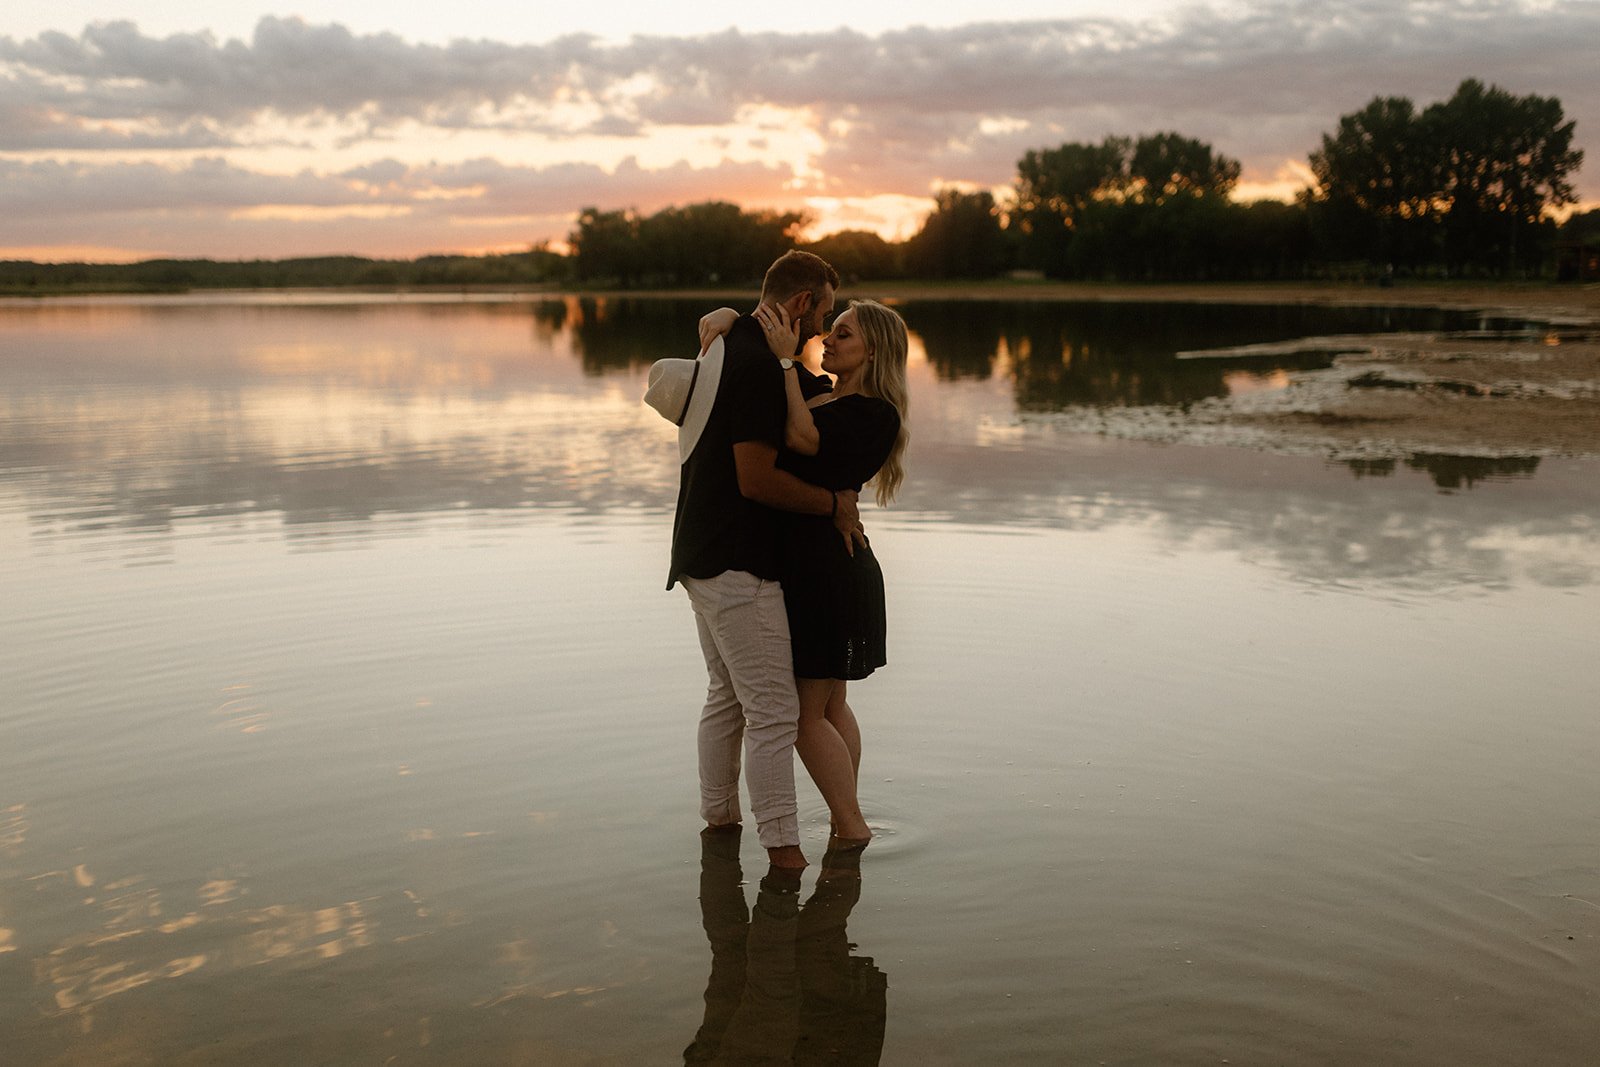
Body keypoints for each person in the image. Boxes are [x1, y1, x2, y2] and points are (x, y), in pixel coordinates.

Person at [656, 251, 863, 871]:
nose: (821, 329)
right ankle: (785, 854)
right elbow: (754, 479)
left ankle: (719, 823)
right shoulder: (751, 364)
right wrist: (832, 504)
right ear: (800, 304)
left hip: (699, 554)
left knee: (726, 698)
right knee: (773, 714)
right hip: (737, 564)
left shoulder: (731, 343)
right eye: (822, 312)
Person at [698, 297, 910, 846]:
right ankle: (848, 820)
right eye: (830, 330)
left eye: (843, 334)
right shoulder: (830, 395)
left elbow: (801, 438)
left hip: (828, 572)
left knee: (803, 715)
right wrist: (730, 317)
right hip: (828, 566)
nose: (828, 340)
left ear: (874, 350)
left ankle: (850, 826)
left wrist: (788, 361)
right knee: (829, 704)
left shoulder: (873, 412)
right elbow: (799, 402)